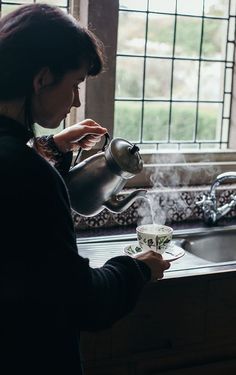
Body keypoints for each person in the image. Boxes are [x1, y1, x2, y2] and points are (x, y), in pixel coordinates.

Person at [0, 4, 170, 375]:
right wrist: (137, 269)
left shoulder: (18, 160)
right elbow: (84, 303)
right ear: (42, 79)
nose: (77, 101)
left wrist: (52, 148)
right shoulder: (28, 175)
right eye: (75, 85)